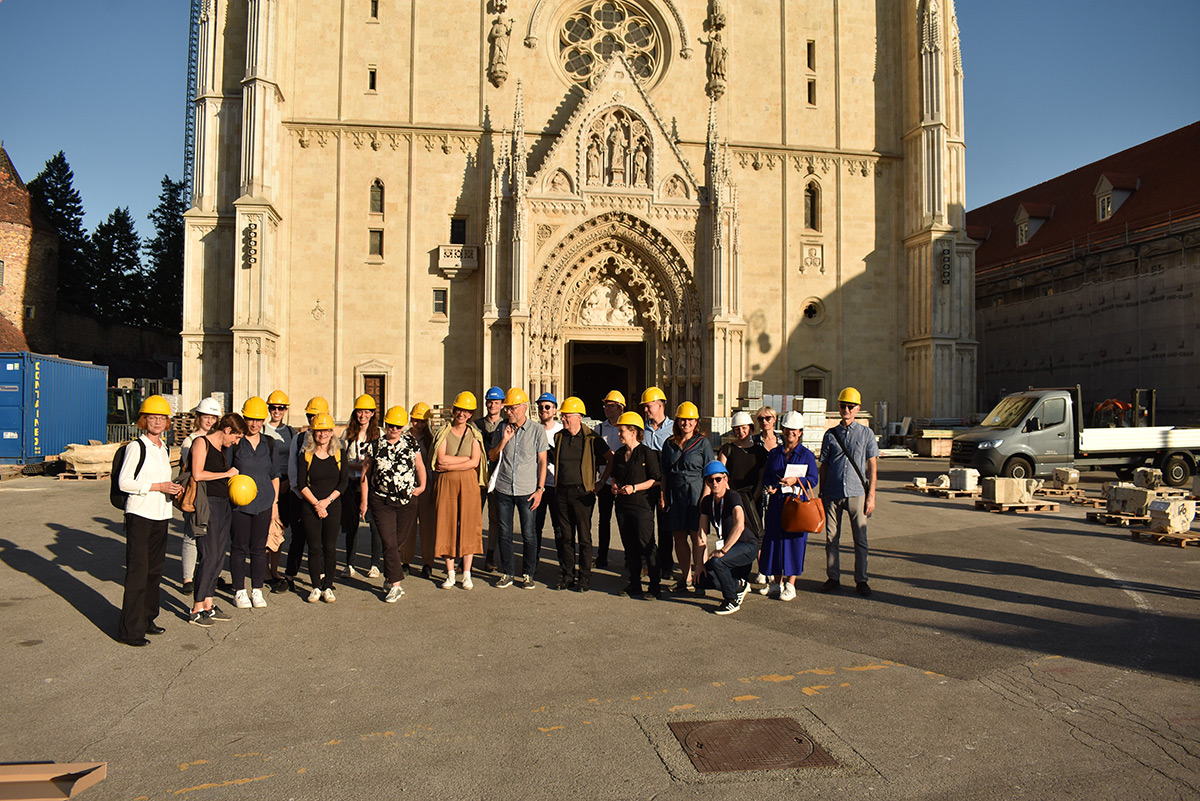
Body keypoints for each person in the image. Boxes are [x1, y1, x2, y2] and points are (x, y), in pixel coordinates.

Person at [117, 395, 183, 645]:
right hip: (140, 516)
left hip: (161, 515)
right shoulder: (137, 447)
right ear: (144, 420)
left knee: (154, 571)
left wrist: (173, 489)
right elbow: (125, 483)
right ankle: (130, 630)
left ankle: (147, 619)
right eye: (152, 417)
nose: (157, 422)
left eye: (162, 418)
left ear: (167, 422)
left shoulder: (163, 448)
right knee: (138, 572)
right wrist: (158, 486)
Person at [360, 405, 426, 603]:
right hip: (381, 501)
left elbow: (419, 465)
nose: (394, 429)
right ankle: (396, 584)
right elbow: (365, 475)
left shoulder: (411, 443)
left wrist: (422, 487)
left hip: (407, 500)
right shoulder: (374, 446)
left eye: (398, 426)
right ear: (385, 424)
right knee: (388, 542)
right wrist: (364, 502)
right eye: (390, 425)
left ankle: (389, 577)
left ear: (403, 426)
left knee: (398, 541)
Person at [188, 412, 249, 625]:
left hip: (223, 505)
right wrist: (226, 474)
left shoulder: (222, 450)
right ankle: (196, 608)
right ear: (227, 430)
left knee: (219, 556)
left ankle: (209, 604)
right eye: (237, 437)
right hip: (207, 505)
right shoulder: (201, 443)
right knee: (209, 555)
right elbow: (197, 474)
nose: (236, 442)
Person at [819, 387, 878, 597]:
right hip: (832, 492)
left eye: (850, 406)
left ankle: (861, 580)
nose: (846, 409)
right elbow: (824, 464)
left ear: (858, 409)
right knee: (831, 538)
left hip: (856, 493)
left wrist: (871, 496)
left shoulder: (866, 434)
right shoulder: (830, 435)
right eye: (843, 406)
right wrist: (821, 491)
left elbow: (872, 466)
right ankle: (833, 577)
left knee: (860, 539)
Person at [487, 387, 548, 589]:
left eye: (512, 408)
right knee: (504, 533)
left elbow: (542, 461)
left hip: (527, 491)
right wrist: (504, 440)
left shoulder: (537, 431)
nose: (508, 412)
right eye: (507, 409)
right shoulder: (501, 428)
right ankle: (508, 573)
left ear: (523, 408)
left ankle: (528, 574)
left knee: (529, 534)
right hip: (504, 489)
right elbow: (493, 456)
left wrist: (540, 489)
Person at [598, 411, 662, 599]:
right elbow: (616, 475)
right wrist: (616, 485)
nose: (619, 434)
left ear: (634, 432)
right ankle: (634, 583)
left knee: (647, 545)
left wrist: (634, 488)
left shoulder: (647, 453)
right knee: (630, 546)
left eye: (622, 431)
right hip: (623, 506)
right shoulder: (619, 454)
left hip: (641, 506)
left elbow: (656, 480)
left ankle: (654, 586)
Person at [551, 396, 611, 591]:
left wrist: (601, 482)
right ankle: (567, 575)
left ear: (579, 417)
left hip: (582, 493)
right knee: (566, 538)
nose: (563, 419)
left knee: (584, 538)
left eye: (567, 416)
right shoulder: (559, 437)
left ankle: (584, 579)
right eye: (563, 416)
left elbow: (611, 459)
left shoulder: (592, 438)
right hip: (562, 492)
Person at [759, 411, 819, 601]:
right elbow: (768, 475)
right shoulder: (775, 453)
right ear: (782, 431)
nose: (790, 433)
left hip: (795, 505)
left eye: (794, 430)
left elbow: (813, 480)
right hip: (777, 504)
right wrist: (771, 487)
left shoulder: (807, 455)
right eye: (787, 430)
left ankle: (791, 585)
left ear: (800, 432)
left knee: (794, 543)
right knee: (774, 541)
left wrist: (796, 480)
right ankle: (777, 582)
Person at [229, 397, 280, 609]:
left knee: (259, 549)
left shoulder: (270, 443)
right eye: (250, 419)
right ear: (244, 418)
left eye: (259, 420)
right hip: (240, 505)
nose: (254, 424)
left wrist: (275, 503)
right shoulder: (236, 443)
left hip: (264, 502)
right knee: (239, 548)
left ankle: (257, 590)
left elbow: (275, 474)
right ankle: (239, 590)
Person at [432, 392, 487, 589]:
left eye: (466, 411)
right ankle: (450, 573)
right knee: (446, 524)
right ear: (453, 411)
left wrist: (450, 464)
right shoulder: (444, 432)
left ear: (471, 414)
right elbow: (440, 460)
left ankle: (466, 573)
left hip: (469, 484)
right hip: (447, 483)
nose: (462, 414)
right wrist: (464, 461)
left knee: (469, 524)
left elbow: (475, 461)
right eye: (459, 410)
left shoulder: (474, 434)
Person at [659, 401, 714, 594]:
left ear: (696, 421)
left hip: (696, 493)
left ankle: (701, 578)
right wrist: (664, 494)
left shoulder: (703, 443)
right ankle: (686, 577)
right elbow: (664, 472)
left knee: (697, 536)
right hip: (676, 493)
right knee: (679, 536)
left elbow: (710, 473)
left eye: (690, 419)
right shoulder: (670, 443)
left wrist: (705, 499)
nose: (686, 423)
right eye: (683, 419)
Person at [297, 412, 350, 603]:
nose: (323, 434)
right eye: (319, 431)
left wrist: (327, 501)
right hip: (311, 506)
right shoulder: (306, 455)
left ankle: (328, 585)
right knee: (314, 548)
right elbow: (301, 483)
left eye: (326, 430)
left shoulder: (338, 453)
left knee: (330, 547)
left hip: (332, 506)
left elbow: (343, 482)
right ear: (313, 432)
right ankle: (315, 587)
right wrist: (317, 504)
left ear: (332, 432)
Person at [283, 396, 329, 589]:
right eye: (310, 416)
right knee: (299, 537)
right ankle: (290, 575)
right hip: (301, 497)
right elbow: (293, 470)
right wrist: (303, 496)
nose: (313, 420)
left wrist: (323, 500)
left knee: (321, 540)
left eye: (317, 416)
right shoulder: (299, 439)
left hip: (323, 499)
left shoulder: (331, 440)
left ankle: (321, 577)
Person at [697, 461, 756, 615]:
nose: (715, 483)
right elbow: (701, 534)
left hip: (746, 546)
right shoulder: (707, 502)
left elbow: (739, 526)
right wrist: (699, 565)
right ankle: (738, 585)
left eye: (718, 479)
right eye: (710, 480)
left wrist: (723, 550)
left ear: (726, 479)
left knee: (718, 560)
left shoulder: (733, 497)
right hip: (730, 550)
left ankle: (731, 600)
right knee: (701, 579)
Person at [178, 396, 221, 595]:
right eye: (206, 417)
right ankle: (188, 578)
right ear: (199, 417)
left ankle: (207, 571)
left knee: (209, 536)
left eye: (213, 417)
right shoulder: (191, 440)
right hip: (195, 492)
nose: (210, 421)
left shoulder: (218, 440)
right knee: (191, 534)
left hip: (212, 493)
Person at [343, 394, 382, 578]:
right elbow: (342, 461)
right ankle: (349, 563)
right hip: (352, 484)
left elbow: (381, 461)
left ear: (373, 413)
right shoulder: (347, 434)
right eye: (360, 411)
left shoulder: (379, 434)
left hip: (372, 484)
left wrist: (366, 466)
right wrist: (361, 465)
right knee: (351, 526)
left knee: (375, 525)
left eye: (367, 412)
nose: (363, 415)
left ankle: (374, 564)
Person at [639, 386, 674, 579]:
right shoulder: (641, 428)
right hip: (645, 484)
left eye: (648, 406)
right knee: (645, 527)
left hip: (664, 483)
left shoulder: (673, 428)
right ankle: (647, 563)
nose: (645, 410)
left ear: (660, 405)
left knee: (665, 527)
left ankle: (666, 565)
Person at [263, 390, 296, 592]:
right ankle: (265, 569)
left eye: (281, 408)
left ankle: (274, 569)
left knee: (280, 528)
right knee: (267, 528)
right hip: (268, 482)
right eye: (273, 407)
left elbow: (294, 459)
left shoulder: (291, 432)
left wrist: (289, 480)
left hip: (286, 482)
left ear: (285, 410)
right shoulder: (263, 430)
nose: (277, 411)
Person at [401, 401, 438, 579]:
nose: (419, 425)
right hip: (407, 487)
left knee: (428, 527)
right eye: (416, 421)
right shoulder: (403, 439)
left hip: (427, 487)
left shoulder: (431, 440)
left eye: (423, 422)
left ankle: (427, 562)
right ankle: (405, 561)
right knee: (407, 526)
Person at [718, 411, 767, 538]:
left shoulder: (760, 452)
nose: (741, 431)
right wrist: (731, 497)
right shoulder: (727, 449)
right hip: (732, 499)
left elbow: (762, 478)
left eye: (744, 428)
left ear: (751, 428)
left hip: (753, 501)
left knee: (757, 537)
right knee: (732, 535)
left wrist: (753, 499)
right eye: (737, 429)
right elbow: (721, 475)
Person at [474, 386, 506, 572]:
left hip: (497, 478)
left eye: (496, 402)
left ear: (502, 405)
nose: (492, 405)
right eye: (490, 402)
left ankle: (490, 556)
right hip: (478, 476)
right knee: (473, 517)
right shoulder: (477, 424)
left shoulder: (506, 426)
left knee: (495, 519)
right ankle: (467, 555)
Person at [593, 390, 625, 568]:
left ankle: (630, 556)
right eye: (605, 405)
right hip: (604, 481)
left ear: (620, 409)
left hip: (621, 481)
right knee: (603, 520)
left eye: (610, 405)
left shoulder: (628, 426)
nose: (606, 408)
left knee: (624, 521)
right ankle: (602, 556)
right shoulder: (599, 428)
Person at [534, 392, 563, 549]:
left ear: (554, 410)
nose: (543, 410)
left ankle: (563, 566)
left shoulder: (562, 431)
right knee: (535, 527)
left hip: (556, 485)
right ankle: (533, 565)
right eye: (540, 407)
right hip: (536, 486)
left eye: (547, 407)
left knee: (559, 528)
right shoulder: (533, 429)